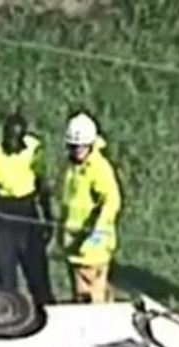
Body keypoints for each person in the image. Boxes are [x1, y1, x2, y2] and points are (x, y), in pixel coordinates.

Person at [0, 111, 55, 304]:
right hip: (3, 214)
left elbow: (42, 185)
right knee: (6, 281)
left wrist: (48, 217)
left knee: (38, 277)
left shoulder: (34, 149)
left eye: (17, 142)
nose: (13, 147)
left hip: (28, 211)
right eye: (9, 141)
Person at [56, 111, 122, 304]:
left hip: (92, 251)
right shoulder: (73, 167)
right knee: (87, 297)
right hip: (74, 248)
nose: (78, 150)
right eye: (74, 146)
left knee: (90, 303)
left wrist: (97, 231)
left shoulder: (98, 168)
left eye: (82, 146)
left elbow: (112, 201)